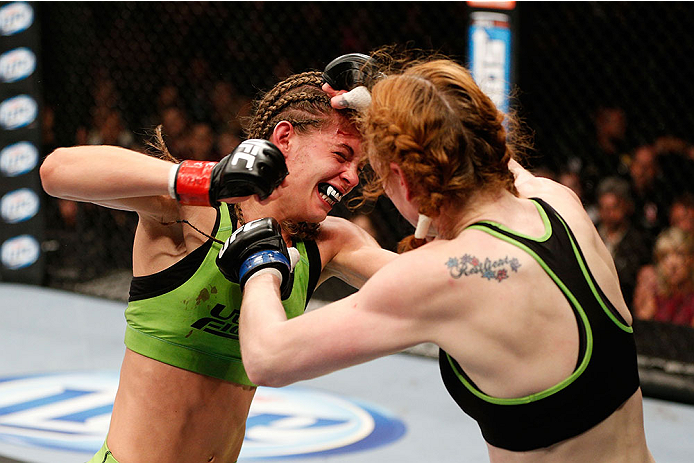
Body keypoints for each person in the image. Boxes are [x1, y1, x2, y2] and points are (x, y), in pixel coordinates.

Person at [231, 56, 655, 462]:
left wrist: (262, 261)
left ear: (403, 179)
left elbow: (269, 356)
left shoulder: (443, 275)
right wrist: (389, 104)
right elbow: (474, 140)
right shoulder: (557, 203)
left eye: (377, 172)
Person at [40, 69, 396, 463]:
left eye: (358, 168)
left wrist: (413, 127)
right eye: (341, 155)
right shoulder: (193, 213)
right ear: (284, 139)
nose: (350, 178)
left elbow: (426, 280)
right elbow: (56, 172)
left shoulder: (332, 242)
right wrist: (203, 177)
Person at [594, 176, 652, 308]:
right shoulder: (591, 232)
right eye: (604, 208)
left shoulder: (638, 240)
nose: (609, 213)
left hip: (624, 301)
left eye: (614, 207)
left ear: (627, 206)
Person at [633, 227, 694, 326]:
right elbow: (640, 332)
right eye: (665, 256)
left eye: (681, 254)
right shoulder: (652, 289)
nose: (673, 264)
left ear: (691, 259)